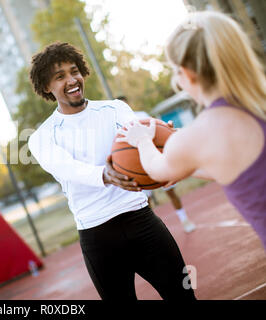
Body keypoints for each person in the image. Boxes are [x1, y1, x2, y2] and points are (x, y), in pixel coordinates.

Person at [27, 42, 196, 300]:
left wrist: (163, 140)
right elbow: (66, 168)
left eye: (74, 71)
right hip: (97, 236)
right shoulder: (41, 137)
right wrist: (104, 175)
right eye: (60, 77)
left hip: (141, 220)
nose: (71, 80)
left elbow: (140, 139)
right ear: (46, 86)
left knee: (183, 296)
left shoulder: (115, 109)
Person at [117, 11, 266, 249]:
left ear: (186, 74)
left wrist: (143, 140)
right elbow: (242, 171)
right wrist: (189, 164)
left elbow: (157, 170)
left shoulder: (196, 137)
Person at [117, 95, 196, 233]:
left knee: (171, 191)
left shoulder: (141, 115)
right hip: (137, 166)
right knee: (145, 203)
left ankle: (184, 219)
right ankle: (153, 230)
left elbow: (158, 130)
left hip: (156, 157)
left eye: (124, 103)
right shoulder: (118, 124)